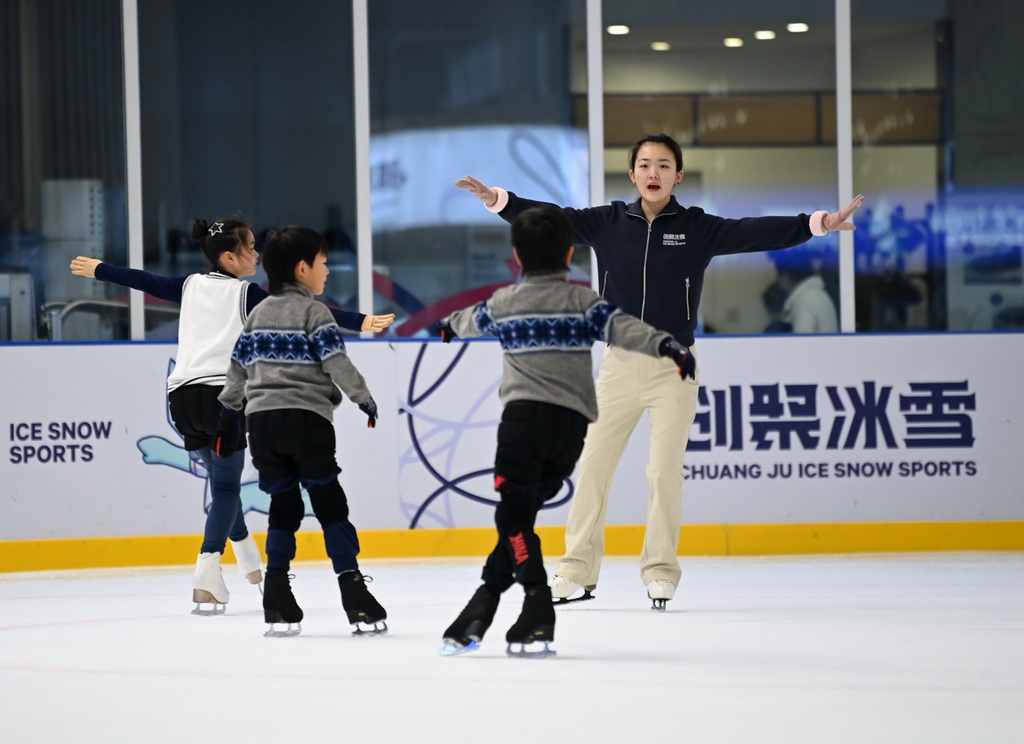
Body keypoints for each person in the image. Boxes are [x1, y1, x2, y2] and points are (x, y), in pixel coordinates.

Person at [455, 133, 865, 610]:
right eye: (645, 164)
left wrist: (816, 224)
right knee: (592, 466)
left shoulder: (698, 228)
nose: (653, 173)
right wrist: (498, 201)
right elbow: (549, 219)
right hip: (619, 365)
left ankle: (660, 570)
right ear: (632, 174)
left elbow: (753, 231)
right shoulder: (607, 223)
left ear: (678, 175)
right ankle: (576, 570)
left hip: (675, 365)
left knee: (663, 472)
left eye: (664, 165)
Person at [69, 218, 394, 616]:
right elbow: (308, 309)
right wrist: (360, 322)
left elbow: (143, 280)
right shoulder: (247, 294)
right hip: (221, 399)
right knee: (225, 489)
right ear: (229, 256)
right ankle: (207, 573)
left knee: (223, 484)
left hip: (181, 399)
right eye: (250, 247)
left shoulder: (188, 285)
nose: (257, 254)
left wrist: (100, 269)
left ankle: (248, 562)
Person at [437, 206, 695, 657]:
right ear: (571, 253)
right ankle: (487, 603)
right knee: (519, 520)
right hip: (568, 433)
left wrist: (446, 327)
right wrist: (667, 344)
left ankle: (535, 606)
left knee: (513, 519)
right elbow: (627, 328)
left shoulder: (503, 303)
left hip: (522, 427)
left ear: (517, 256)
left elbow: (466, 320)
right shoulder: (584, 304)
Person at [216, 225, 387, 638]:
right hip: (306, 420)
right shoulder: (315, 313)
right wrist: (363, 397)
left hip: (263, 424)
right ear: (302, 267)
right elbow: (336, 362)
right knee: (330, 503)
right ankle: (354, 592)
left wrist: (228, 413)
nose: (327, 271)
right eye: (324, 263)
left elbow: (237, 368)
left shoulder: (256, 314)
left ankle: (276, 594)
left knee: (284, 505)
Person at [770, 248, 839, 333]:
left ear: (786, 276)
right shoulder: (814, 295)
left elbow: (802, 343)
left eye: (778, 277)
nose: (778, 282)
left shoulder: (806, 302)